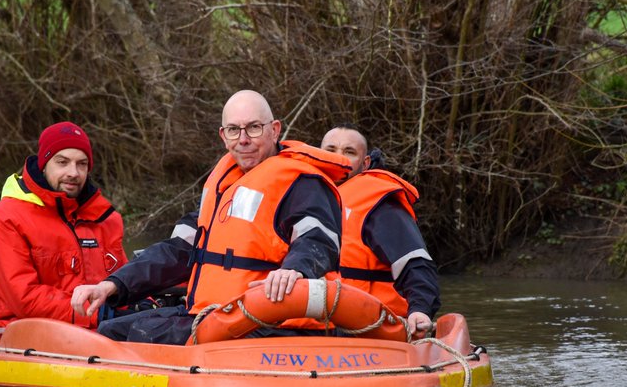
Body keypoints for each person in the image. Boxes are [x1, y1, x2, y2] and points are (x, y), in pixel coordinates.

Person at [71, 90, 350, 344]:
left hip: (270, 324)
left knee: (140, 336)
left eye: (253, 128)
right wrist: (113, 284)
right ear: (222, 135)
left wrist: (295, 271)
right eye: (233, 130)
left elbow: (319, 240)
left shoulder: (302, 183)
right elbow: (176, 252)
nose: (243, 139)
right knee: (111, 331)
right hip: (213, 315)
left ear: (274, 130)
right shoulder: (223, 187)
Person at [0, 121, 127, 331]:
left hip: (99, 331)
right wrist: (99, 314)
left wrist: (146, 303)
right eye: (62, 162)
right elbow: (24, 299)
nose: (73, 172)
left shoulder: (106, 220)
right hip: (21, 334)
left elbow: (124, 279)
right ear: (44, 165)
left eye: (81, 164)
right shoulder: (6, 218)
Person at [320, 125, 440, 336]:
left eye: (349, 152)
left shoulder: (380, 207)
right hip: (313, 330)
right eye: (330, 150)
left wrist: (420, 309)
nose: (338, 158)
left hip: (372, 330)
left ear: (365, 163)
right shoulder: (300, 199)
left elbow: (414, 263)